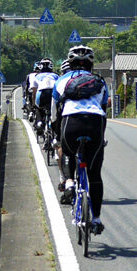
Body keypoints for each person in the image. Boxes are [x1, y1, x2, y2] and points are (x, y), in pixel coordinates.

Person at [53, 45, 110, 235]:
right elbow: (104, 111)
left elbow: (55, 112)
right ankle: (96, 219)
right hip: (95, 123)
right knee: (94, 175)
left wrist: (56, 133)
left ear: (70, 63)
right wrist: (100, 139)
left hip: (71, 122)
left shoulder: (61, 80)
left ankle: (69, 182)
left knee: (67, 151)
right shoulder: (100, 82)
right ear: (91, 64)